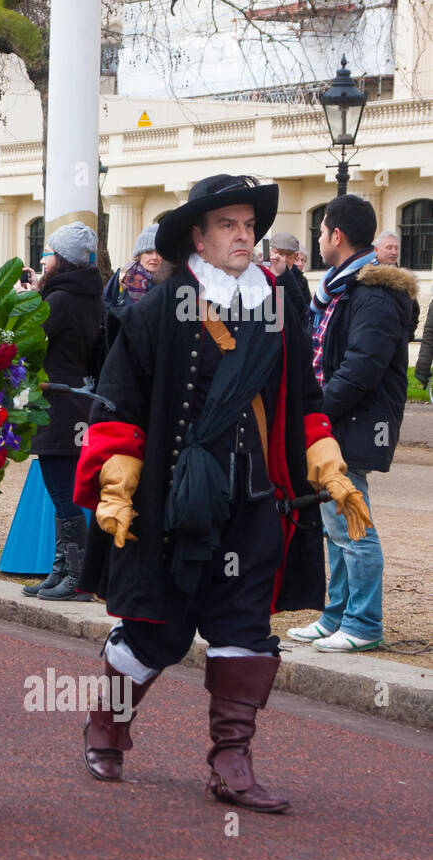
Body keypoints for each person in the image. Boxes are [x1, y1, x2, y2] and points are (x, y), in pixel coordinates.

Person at [75, 174, 371, 813]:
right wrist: (117, 491)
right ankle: (107, 724)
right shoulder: (157, 309)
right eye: (229, 226)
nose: (244, 236)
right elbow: (120, 408)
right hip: (173, 505)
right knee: (156, 632)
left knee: (245, 627)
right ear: (198, 240)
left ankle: (231, 760)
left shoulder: (279, 307)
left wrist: (329, 468)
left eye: (249, 226)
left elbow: (306, 406)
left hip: (255, 503)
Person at [286, 196, 415, 652]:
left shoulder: (373, 294)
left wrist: (317, 413)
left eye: (320, 231)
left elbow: (361, 368)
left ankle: (362, 623)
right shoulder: (343, 288)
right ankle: (336, 615)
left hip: (349, 424)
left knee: (352, 523)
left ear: (336, 236)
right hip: (333, 423)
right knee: (334, 524)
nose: (318, 239)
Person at [23, 222, 101, 603]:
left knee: (63, 492)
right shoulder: (85, 294)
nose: (43, 258)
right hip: (75, 400)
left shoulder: (60, 300)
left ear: (63, 259)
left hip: (58, 398)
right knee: (61, 491)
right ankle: (63, 569)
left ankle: (76, 575)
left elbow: (29, 341)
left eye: (48, 253)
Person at [102, 225, 160, 312]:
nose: (154, 257)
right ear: (139, 255)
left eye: (158, 252)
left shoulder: (171, 279)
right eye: (148, 252)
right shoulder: (124, 274)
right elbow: (105, 302)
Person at [267, 232, 311, 325]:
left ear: (295, 256)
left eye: (289, 255)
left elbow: (305, 312)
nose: (284, 259)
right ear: (272, 253)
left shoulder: (301, 280)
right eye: (280, 254)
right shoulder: (263, 277)